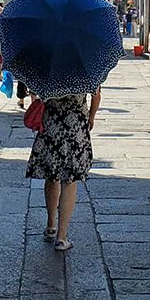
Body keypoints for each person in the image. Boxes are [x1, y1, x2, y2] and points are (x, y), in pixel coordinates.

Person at [26, 88, 101, 252]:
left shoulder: (49, 72)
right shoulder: (85, 73)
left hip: (51, 125)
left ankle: (51, 225)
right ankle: (61, 237)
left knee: (51, 176)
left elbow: (37, 93)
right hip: (76, 128)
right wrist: (91, 117)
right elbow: (96, 96)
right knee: (70, 181)